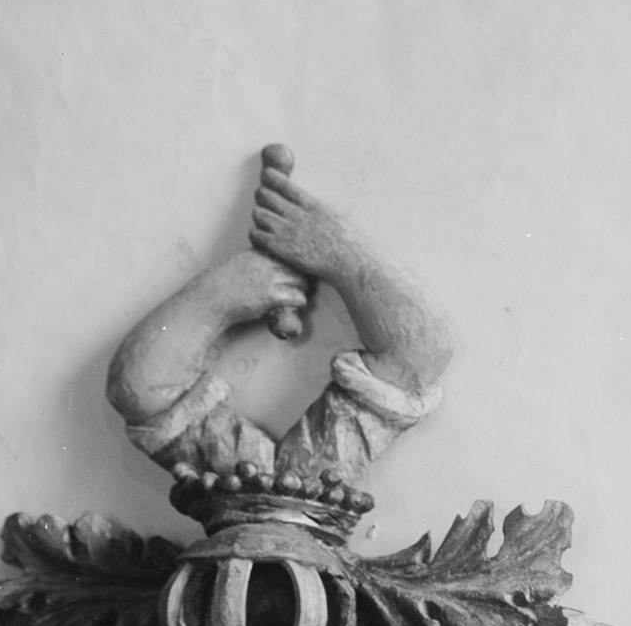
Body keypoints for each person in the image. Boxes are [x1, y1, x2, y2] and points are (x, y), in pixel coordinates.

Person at [104, 145, 453, 488]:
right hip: (299, 493)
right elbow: (420, 350)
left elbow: (140, 388)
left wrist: (222, 292)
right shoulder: (311, 477)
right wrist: (336, 252)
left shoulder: (259, 479)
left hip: (256, 495)